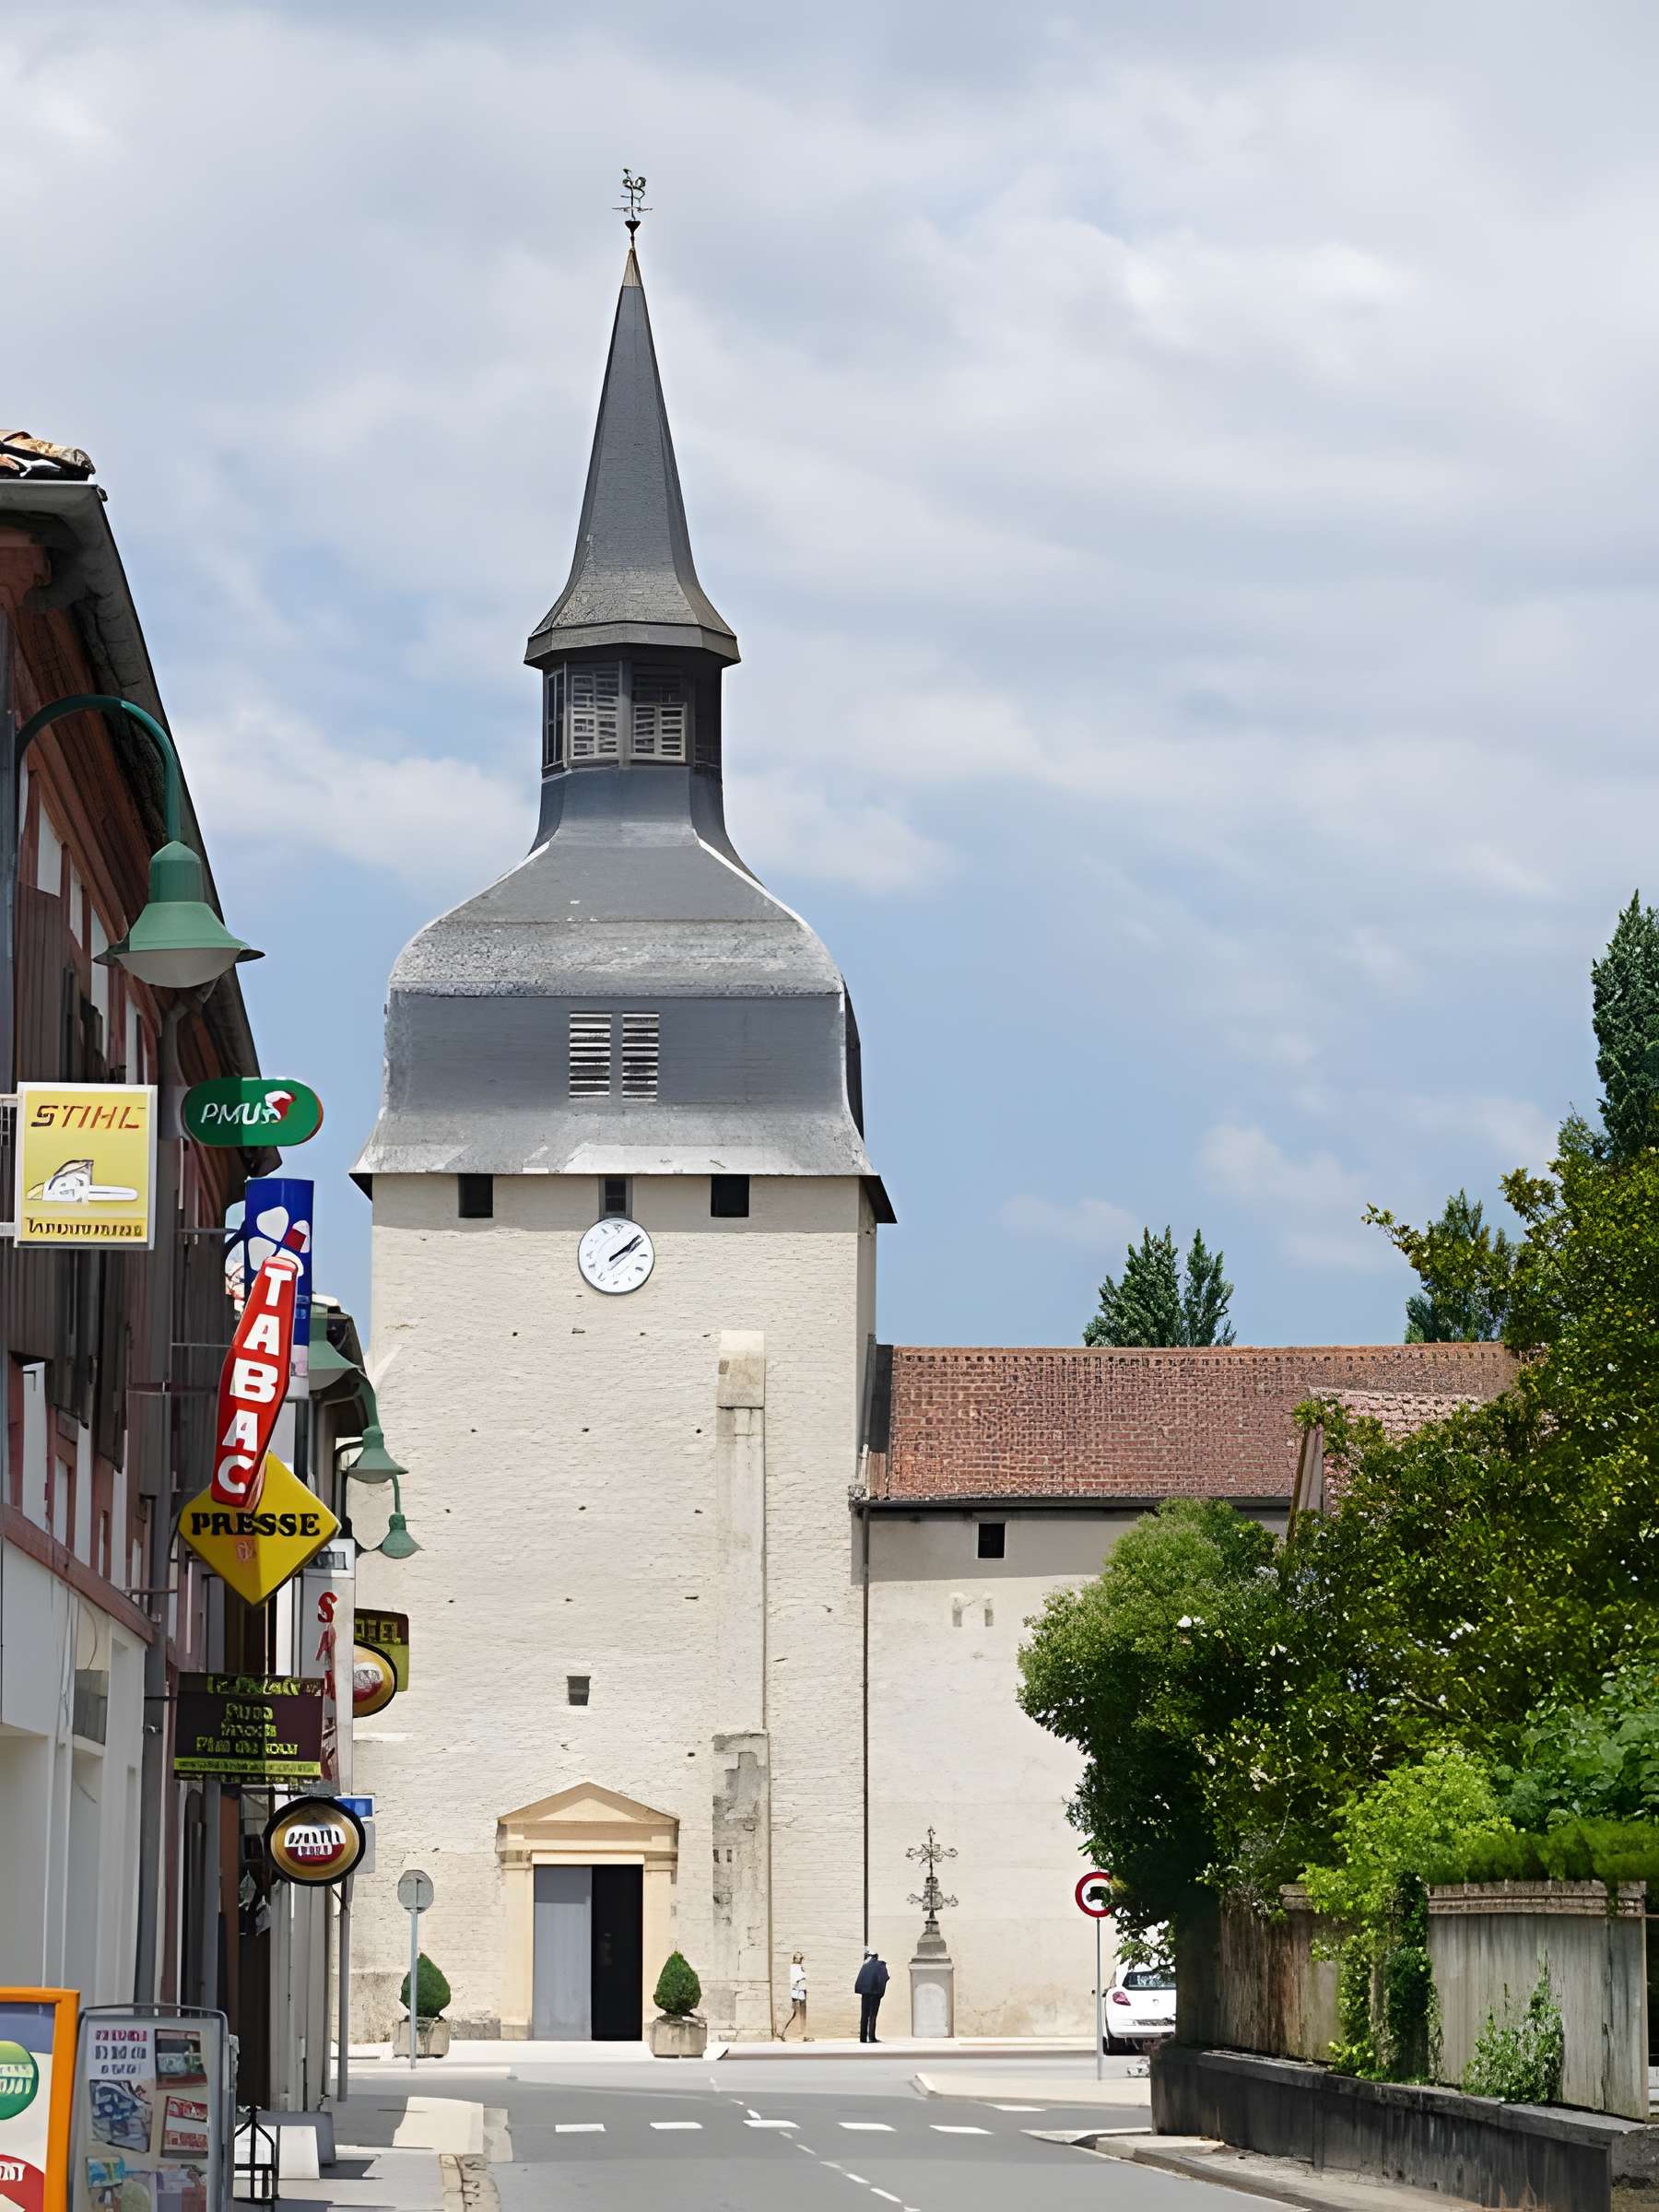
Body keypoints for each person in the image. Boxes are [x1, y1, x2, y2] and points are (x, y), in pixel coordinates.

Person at [854, 1948, 888, 2043]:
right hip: (875, 1994)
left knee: (864, 2015)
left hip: (865, 1994)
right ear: (876, 1957)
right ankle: (871, 2037)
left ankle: (863, 2038)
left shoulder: (865, 1965)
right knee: (872, 2016)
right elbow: (884, 1978)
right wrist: (880, 1993)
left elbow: (860, 1980)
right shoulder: (880, 1965)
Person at [782, 1951, 808, 2039]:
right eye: (798, 1958)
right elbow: (795, 1980)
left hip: (801, 1992)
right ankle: (789, 2033)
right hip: (796, 1992)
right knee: (796, 2012)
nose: (800, 1960)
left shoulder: (800, 1967)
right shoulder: (793, 1967)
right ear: (794, 1958)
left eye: (801, 1958)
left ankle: (801, 2033)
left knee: (801, 2012)